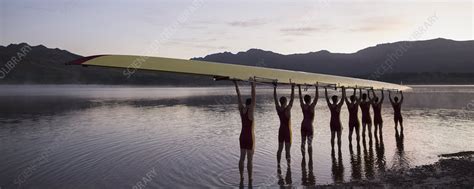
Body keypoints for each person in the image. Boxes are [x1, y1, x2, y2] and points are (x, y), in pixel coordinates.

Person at [233, 79, 256, 184]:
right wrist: (253, 85)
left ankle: (241, 177)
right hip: (249, 137)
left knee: (242, 158)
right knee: (250, 160)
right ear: (251, 104)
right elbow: (254, 96)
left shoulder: (241, 109)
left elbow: (238, 96)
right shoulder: (251, 111)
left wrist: (236, 84)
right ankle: (250, 179)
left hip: (242, 136)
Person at [274, 82, 295, 167]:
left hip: (281, 130)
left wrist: (275, 88)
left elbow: (275, 99)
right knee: (287, 151)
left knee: (280, 149)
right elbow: (292, 99)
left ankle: (278, 165)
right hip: (287, 131)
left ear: (280, 102)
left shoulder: (278, 108)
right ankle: (288, 167)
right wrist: (293, 88)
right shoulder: (288, 109)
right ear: (285, 102)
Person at [298, 84, 318, 160]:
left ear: (304, 100)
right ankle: (310, 159)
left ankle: (303, 158)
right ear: (310, 100)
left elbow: (300, 97)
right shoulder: (312, 106)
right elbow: (316, 98)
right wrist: (316, 88)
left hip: (303, 125)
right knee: (309, 144)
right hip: (309, 126)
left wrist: (299, 88)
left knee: (303, 143)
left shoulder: (303, 105)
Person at [325, 86, 346, 153]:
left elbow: (327, 99)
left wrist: (325, 90)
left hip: (332, 123)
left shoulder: (330, 106)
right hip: (338, 123)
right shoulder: (338, 106)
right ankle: (339, 150)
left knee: (332, 137)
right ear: (336, 100)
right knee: (339, 138)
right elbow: (343, 99)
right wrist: (343, 90)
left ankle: (333, 149)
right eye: (337, 99)